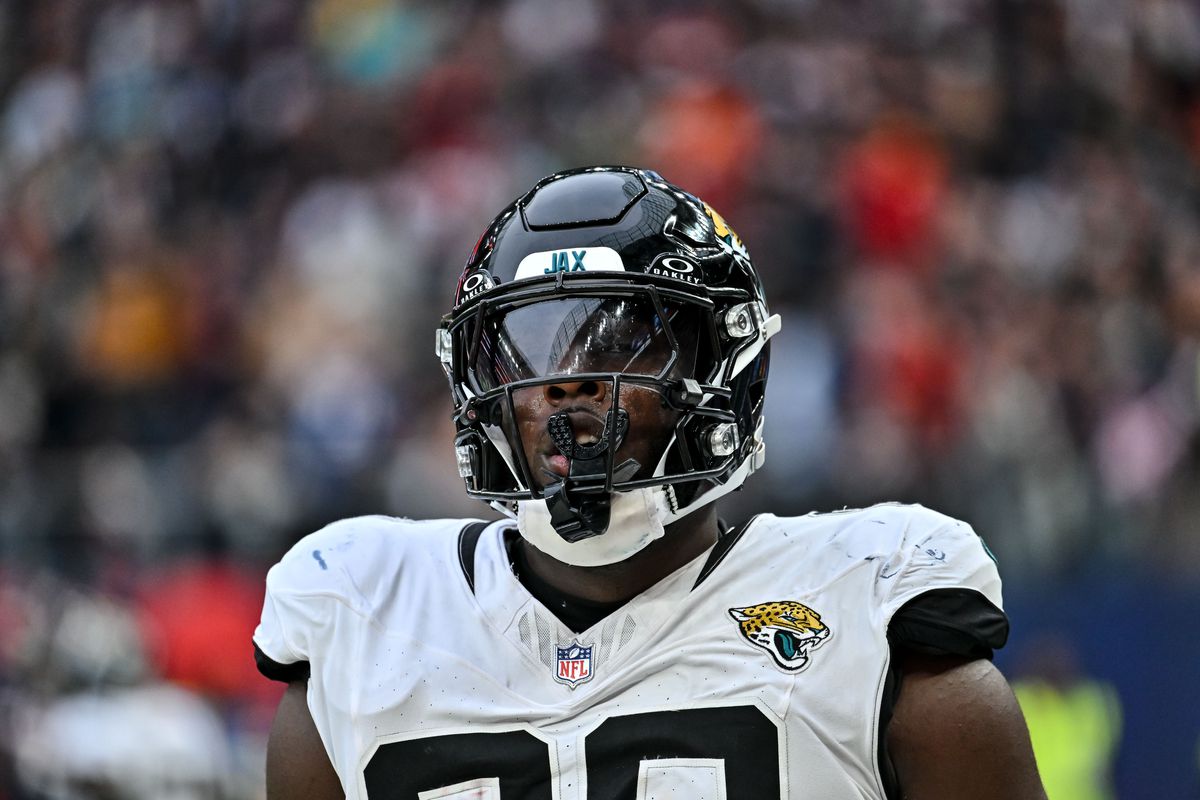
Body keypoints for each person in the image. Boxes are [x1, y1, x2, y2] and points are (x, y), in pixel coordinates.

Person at [254, 166, 1047, 799]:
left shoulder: (874, 612)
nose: (566, 382)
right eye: (528, 351)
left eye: (629, 339)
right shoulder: (357, 617)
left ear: (723, 366)